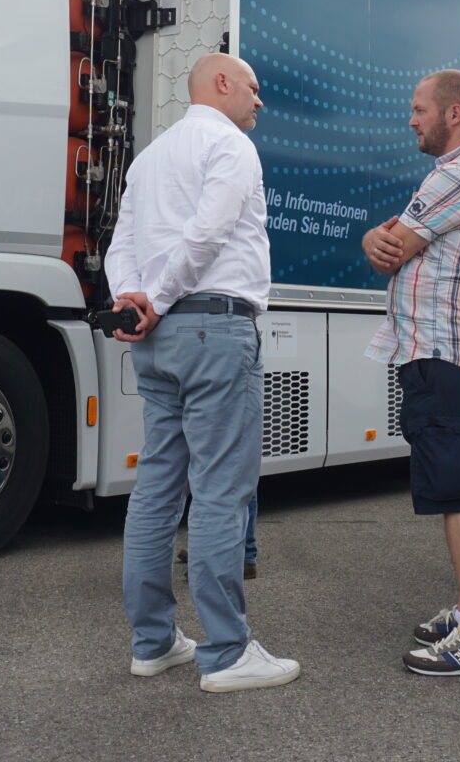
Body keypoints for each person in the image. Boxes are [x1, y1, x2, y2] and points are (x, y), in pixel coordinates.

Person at [105, 53, 299, 693]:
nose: (259, 100)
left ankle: (153, 642)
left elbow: (120, 245)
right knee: (221, 492)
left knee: (157, 487)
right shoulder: (232, 146)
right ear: (221, 84)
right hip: (214, 328)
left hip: (156, 342)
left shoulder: (151, 156)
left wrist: (135, 299)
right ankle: (226, 654)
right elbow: (208, 235)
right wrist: (157, 298)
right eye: (253, 86)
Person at [362, 69, 460, 676]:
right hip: (458, 354)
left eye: (420, 109)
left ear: (453, 115)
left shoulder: (459, 172)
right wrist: (382, 235)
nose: (412, 118)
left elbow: (389, 249)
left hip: (447, 355)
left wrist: (378, 234)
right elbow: (393, 242)